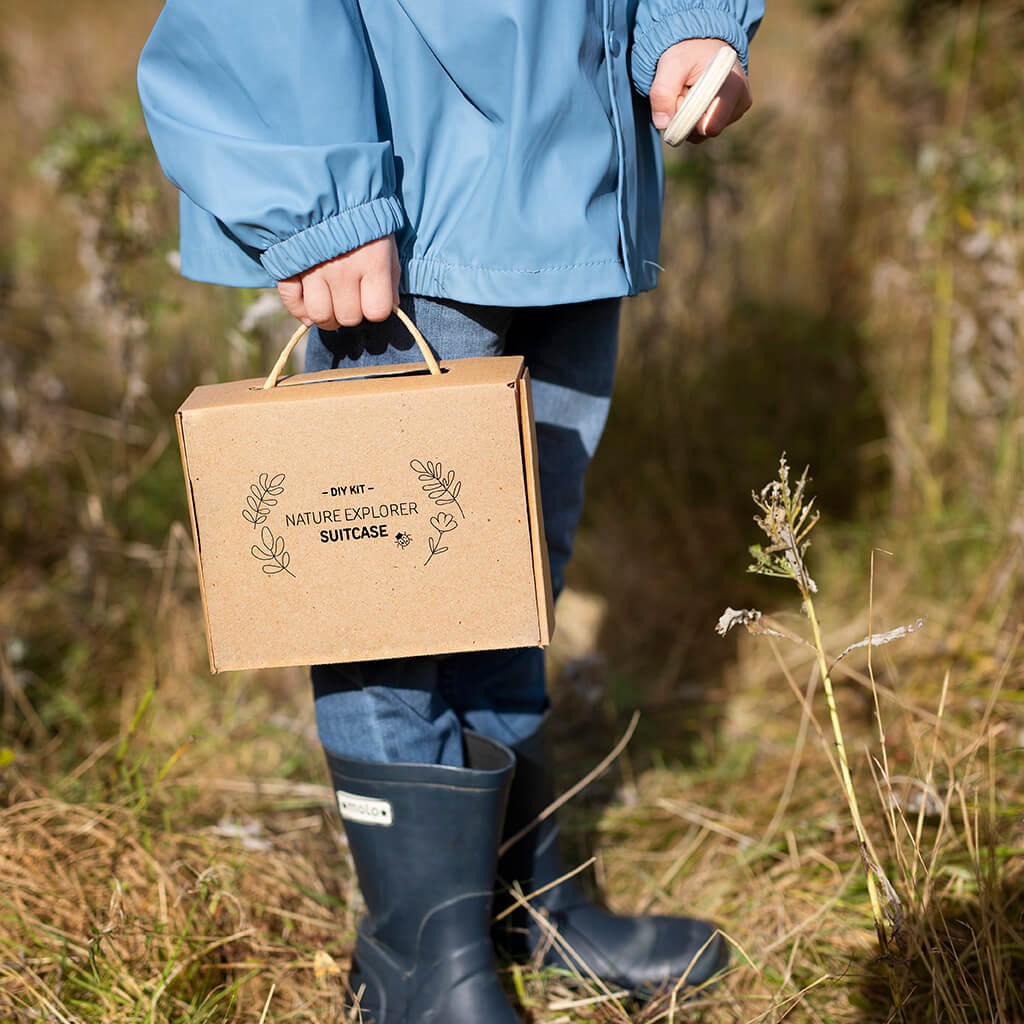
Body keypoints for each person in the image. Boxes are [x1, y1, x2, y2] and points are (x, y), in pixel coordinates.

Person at [138, 3, 763, 1020]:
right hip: (403, 179)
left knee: (510, 566)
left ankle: (516, 902)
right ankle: (420, 964)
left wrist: (688, 22)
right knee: (386, 597)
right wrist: (319, 194)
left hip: (577, 164)